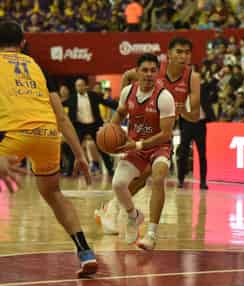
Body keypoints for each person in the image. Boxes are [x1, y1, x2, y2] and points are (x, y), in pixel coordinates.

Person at [0, 20, 97, 277]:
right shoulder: (38, 67)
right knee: (53, 193)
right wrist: (79, 154)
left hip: (11, 133)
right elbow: (62, 118)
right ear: (22, 43)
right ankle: (85, 252)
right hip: (47, 134)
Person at [96, 37, 201, 246]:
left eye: (187, 52)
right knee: (128, 181)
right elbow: (127, 80)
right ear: (168, 55)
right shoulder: (148, 73)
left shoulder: (190, 78)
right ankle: (122, 210)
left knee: (157, 176)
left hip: (160, 139)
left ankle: (149, 231)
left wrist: (180, 110)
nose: (183, 56)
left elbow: (194, 116)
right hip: (139, 137)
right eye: (179, 52)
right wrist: (111, 128)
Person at [101, 53, 176, 249]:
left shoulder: (164, 97)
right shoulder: (128, 92)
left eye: (153, 70)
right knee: (118, 184)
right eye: (145, 70)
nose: (149, 74)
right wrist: (110, 131)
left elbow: (166, 134)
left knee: (158, 178)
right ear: (137, 71)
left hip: (159, 146)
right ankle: (133, 215)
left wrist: (138, 145)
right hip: (136, 145)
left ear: (158, 73)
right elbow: (119, 113)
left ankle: (151, 235)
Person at [62, 78, 118, 176]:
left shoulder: (94, 96)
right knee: (74, 149)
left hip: (94, 125)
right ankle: (69, 171)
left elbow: (107, 103)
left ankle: (110, 170)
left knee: (102, 147)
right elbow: (60, 105)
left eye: (81, 85)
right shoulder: (72, 98)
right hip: (79, 126)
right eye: (77, 86)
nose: (79, 87)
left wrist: (121, 106)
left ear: (85, 86)